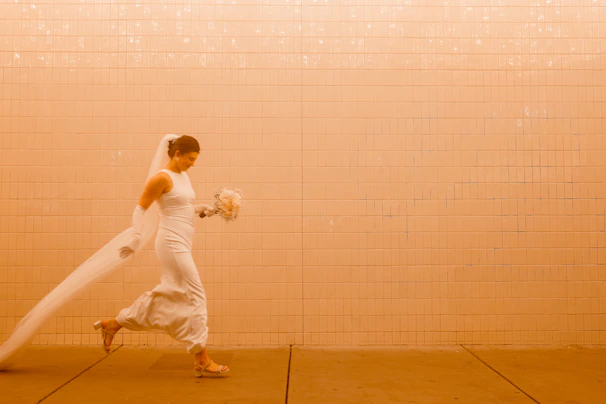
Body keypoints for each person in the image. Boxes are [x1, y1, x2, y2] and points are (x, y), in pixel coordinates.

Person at [93, 135, 229, 377]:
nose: (193, 164)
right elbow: (141, 208)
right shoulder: (160, 178)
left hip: (183, 241)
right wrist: (135, 237)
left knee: (170, 293)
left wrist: (202, 209)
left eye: (195, 160)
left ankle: (115, 323)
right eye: (190, 159)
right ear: (176, 154)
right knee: (195, 294)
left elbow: (180, 206)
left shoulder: (183, 176)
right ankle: (202, 358)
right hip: (171, 242)